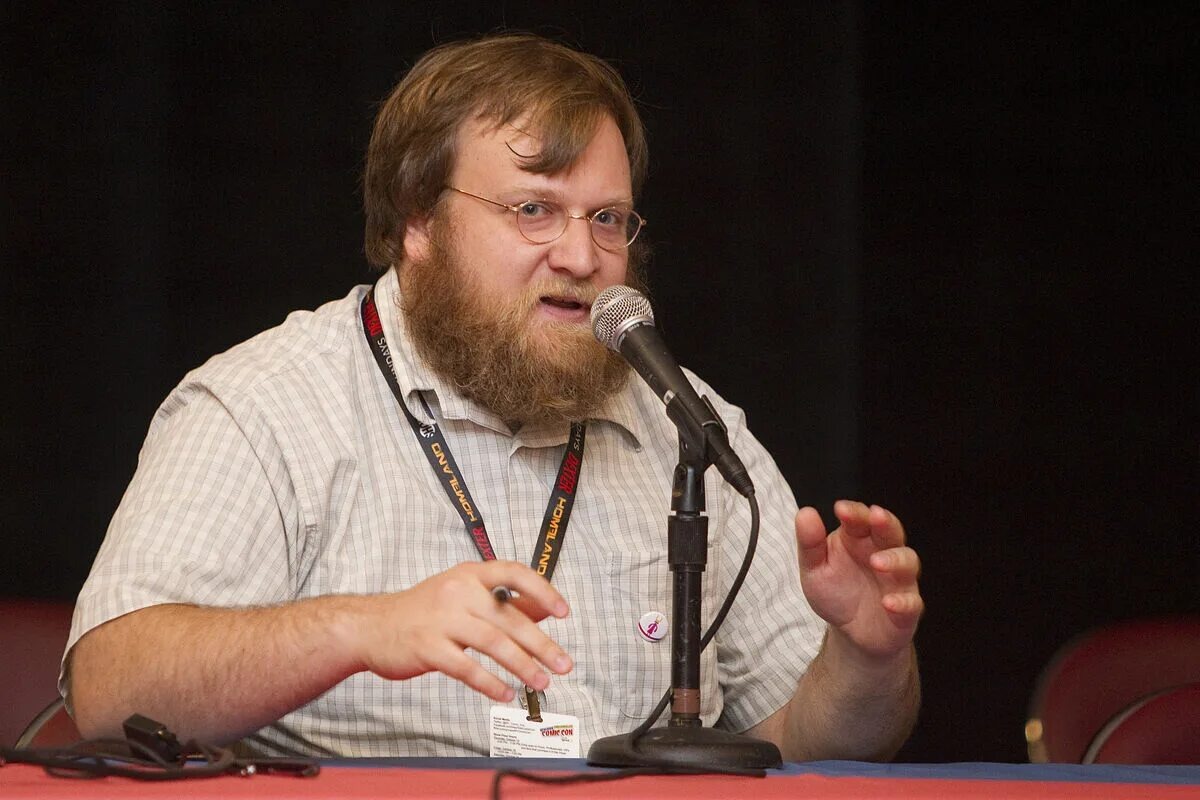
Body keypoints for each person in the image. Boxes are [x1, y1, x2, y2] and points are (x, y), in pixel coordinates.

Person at [64, 33, 922, 760]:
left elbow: (810, 745)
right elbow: (110, 688)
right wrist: (359, 629)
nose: (582, 258)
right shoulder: (267, 406)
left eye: (607, 219)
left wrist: (866, 660)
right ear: (417, 222)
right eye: (534, 210)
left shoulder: (687, 425)